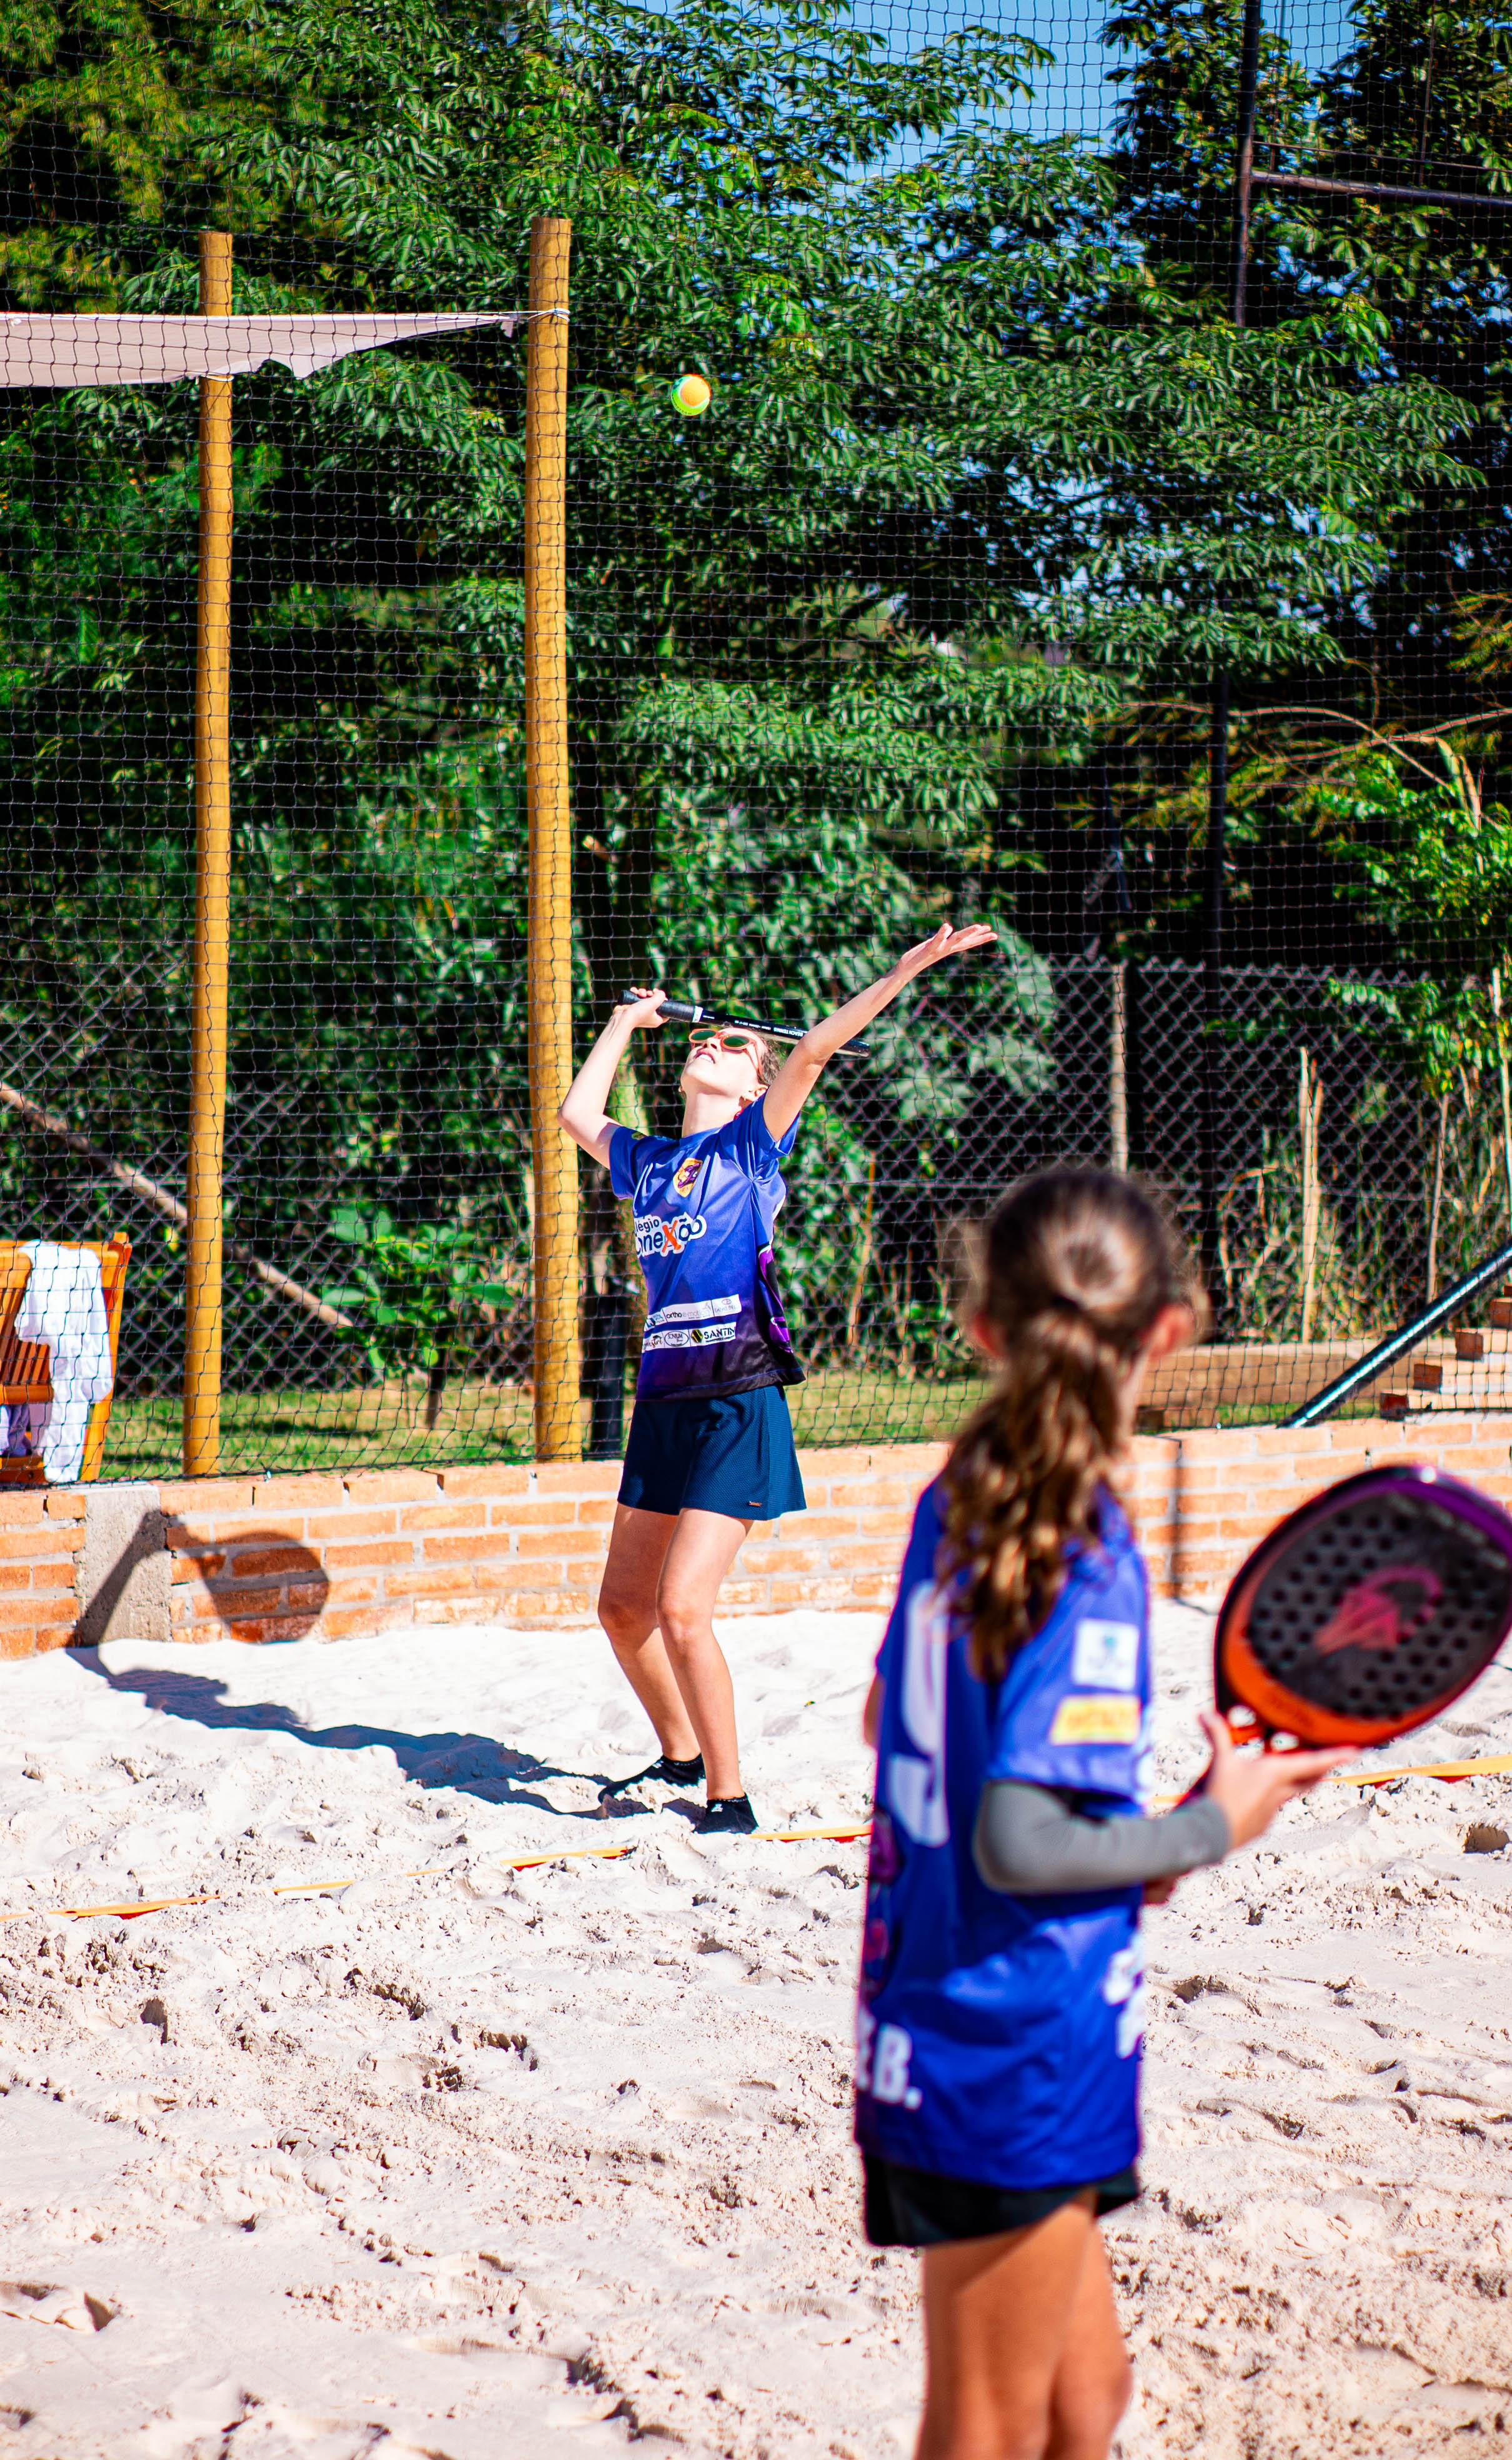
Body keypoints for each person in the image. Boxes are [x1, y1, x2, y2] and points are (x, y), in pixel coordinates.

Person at [853, 1168, 1352, 2460]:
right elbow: (1018, 1841)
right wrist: (1208, 1828)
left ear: (980, 1332)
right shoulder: (1080, 1548)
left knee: (1088, 2404)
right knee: (987, 2429)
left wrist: (1146, 1841)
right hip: (1006, 2039)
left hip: (976, 2006)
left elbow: (891, 1730)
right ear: (1172, 1332)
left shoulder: (960, 1494)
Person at [557, 924, 996, 1836]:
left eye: (736, 1047)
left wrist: (908, 968)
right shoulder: (648, 1163)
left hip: (737, 1400)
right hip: (663, 1407)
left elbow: (823, 1045)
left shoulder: (751, 1149)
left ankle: (731, 1797)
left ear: (759, 1085)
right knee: (622, 1609)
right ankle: (679, 1756)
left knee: (682, 1607)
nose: (711, 1045)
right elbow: (574, 1114)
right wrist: (623, 1023)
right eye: (705, 1040)